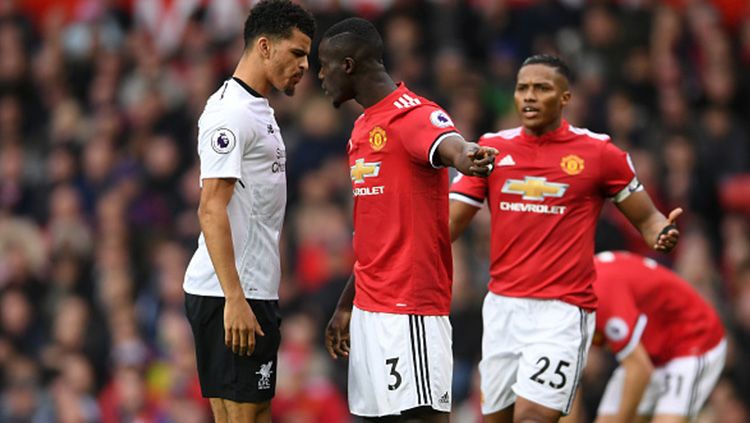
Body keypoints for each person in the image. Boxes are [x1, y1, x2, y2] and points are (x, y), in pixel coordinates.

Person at [448, 54, 682, 423]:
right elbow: (448, 225)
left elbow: (649, 219)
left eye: (541, 88)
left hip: (562, 311)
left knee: (533, 417)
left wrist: (661, 232)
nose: (529, 96)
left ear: (565, 98)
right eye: (522, 88)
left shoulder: (600, 153)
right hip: (502, 310)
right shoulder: (491, 150)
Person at [318, 17, 498, 422]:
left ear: (347, 65)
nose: (319, 76)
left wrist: (467, 157)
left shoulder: (413, 114)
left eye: (324, 65)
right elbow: (375, 233)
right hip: (369, 309)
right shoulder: (362, 127)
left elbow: (449, 144)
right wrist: (347, 304)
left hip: (409, 308)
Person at [182, 2, 314, 422]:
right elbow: (210, 208)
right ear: (263, 46)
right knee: (246, 415)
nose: (305, 65)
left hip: (249, 290)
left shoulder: (257, 107)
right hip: (231, 293)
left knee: (248, 415)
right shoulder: (231, 113)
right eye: (296, 53)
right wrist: (234, 299)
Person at [587, 251, 726, 423]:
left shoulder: (598, 292)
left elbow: (639, 370)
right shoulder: (567, 293)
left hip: (692, 338)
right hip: (647, 350)